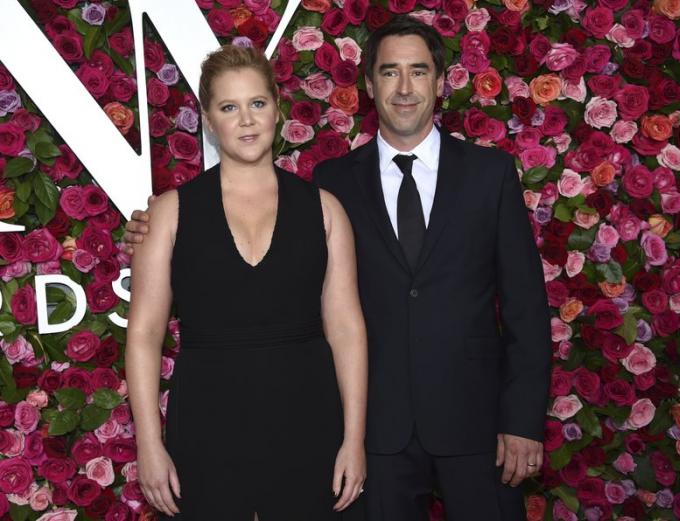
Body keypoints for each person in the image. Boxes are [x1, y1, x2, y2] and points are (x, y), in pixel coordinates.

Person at [126, 16, 552, 521]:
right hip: (363, 433)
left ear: (440, 82)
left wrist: (522, 418)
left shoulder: (487, 175)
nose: (405, 86)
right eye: (390, 72)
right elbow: (154, 325)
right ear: (370, 86)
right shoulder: (334, 183)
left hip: (467, 425)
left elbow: (524, 306)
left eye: (418, 71)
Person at [124, 44, 367, 520]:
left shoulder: (325, 210)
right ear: (209, 121)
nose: (247, 120)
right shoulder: (170, 213)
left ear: (276, 107)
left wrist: (354, 440)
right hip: (206, 423)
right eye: (229, 108)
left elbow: (347, 330)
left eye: (257, 103)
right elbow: (144, 335)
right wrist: (149, 445)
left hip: (309, 419)